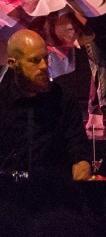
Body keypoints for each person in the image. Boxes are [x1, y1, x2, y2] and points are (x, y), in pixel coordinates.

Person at [0, 30, 90, 181]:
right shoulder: (3, 100)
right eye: (35, 60)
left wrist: (81, 172)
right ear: (12, 64)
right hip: (8, 190)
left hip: (55, 190)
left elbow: (79, 153)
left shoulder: (64, 99)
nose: (44, 66)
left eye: (46, 58)